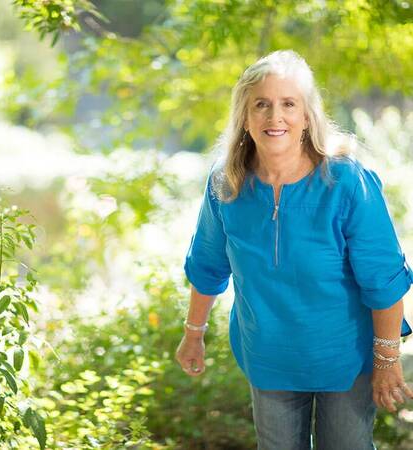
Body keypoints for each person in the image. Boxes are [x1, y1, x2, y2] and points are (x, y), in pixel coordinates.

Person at [175, 49, 413, 450]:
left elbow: (384, 281)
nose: (275, 117)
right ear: (244, 117)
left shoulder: (347, 182)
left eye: (288, 104)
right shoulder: (226, 185)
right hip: (269, 357)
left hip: (344, 357)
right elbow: (207, 266)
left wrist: (387, 361)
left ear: (307, 116)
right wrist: (193, 333)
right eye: (261, 105)